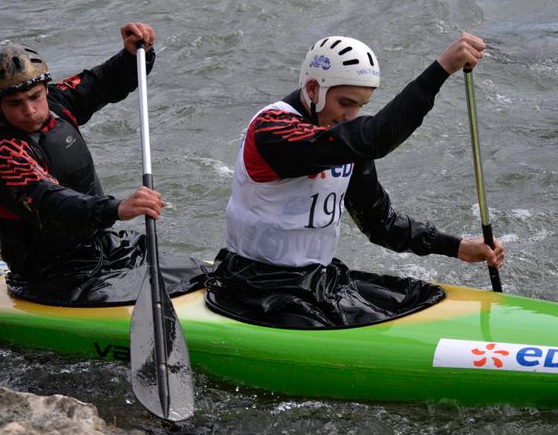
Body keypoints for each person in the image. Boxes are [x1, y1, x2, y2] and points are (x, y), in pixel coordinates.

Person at [204, 32, 505, 328]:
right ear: (312, 89)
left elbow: (380, 223)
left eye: (361, 105)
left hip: (312, 282)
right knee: (381, 325)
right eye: (346, 102)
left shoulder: (342, 140)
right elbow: (376, 138)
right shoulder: (273, 130)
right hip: (254, 288)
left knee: (423, 297)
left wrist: (457, 246)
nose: (352, 116)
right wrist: (441, 69)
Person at [0, 22, 203, 306]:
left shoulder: (58, 103)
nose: (29, 110)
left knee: (201, 274)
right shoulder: (1, 153)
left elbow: (102, 82)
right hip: (51, 275)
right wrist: (117, 208)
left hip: (103, 245)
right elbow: (51, 202)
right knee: (165, 290)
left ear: (45, 88)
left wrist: (132, 55)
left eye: (35, 97)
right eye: (15, 103)